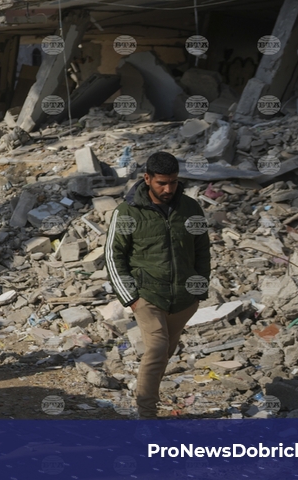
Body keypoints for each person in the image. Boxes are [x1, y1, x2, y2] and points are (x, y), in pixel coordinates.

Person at [106, 152, 211, 419]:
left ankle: (146, 400)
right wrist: (131, 298)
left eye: (173, 182)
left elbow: (202, 249)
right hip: (147, 296)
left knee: (165, 354)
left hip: (183, 299)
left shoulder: (190, 209)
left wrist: (199, 290)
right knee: (156, 349)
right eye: (161, 183)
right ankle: (147, 418)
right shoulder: (127, 212)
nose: (168, 189)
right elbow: (113, 256)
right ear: (147, 178)